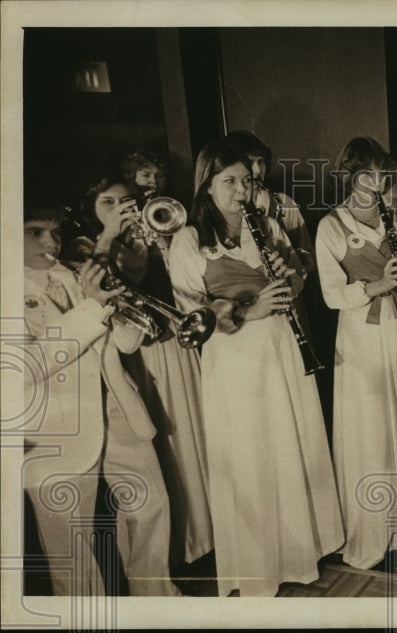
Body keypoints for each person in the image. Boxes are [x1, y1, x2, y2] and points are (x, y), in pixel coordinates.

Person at [169, 140, 344, 596]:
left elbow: (299, 276)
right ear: (206, 186)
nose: (241, 189)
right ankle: (257, 565)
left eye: (246, 180)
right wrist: (249, 310)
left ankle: (296, 554)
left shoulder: (267, 224)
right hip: (234, 358)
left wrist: (293, 278)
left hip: (281, 347)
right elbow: (189, 314)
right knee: (250, 452)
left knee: (287, 444)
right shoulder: (188, 239)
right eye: (229, 181)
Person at [22, 197, 179, 596]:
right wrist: (94, 306)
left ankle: (158, 606)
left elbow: (125, 346)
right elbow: (28, 366)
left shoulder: (75, 274)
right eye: (35, 232)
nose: (52, 242)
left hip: (117, 408)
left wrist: (122, 308)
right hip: (55, 429)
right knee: (72, 547)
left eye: (55, 232)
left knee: (150, 510)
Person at [315, 137, 397, 569]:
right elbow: (332, 296)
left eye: (380, 175)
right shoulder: (331, 224)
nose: (376, 183)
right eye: (368, 175)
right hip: (361, 335)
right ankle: (374, 529)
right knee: (371, 423)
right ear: (351, 177)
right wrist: (380, 283)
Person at [77, 176, 213, 567]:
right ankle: (183, 547)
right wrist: (111, 239)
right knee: (170, 449)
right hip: (141, 360)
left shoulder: (153, 233)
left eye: (127, 202)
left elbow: (186, 292)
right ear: (93, 211)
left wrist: (164, 250)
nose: (121, 210)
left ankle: (207, 537)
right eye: (108, 203)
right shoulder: (86, 249)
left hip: (177, 346)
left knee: (196, 436)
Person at [224, 130, 316, 274]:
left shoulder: (284, 203)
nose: (257, 170)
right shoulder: (225, 207)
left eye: (261, 162)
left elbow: (308, 256)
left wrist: (293, 269)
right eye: (249, 161)